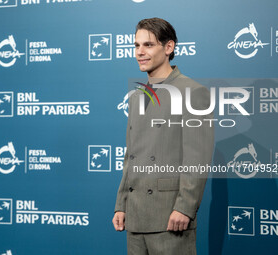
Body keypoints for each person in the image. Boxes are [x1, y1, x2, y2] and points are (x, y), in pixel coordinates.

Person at [112, 18, 214, 255]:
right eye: (136, 46)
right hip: (135, 218)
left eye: (148, 45)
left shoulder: (192, 92)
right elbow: (132, 157)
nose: (140, 52)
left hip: (170, 217)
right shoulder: (137, 96)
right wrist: (122, 204)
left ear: (169, 47)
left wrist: (185, 208)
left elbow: (197, 159)